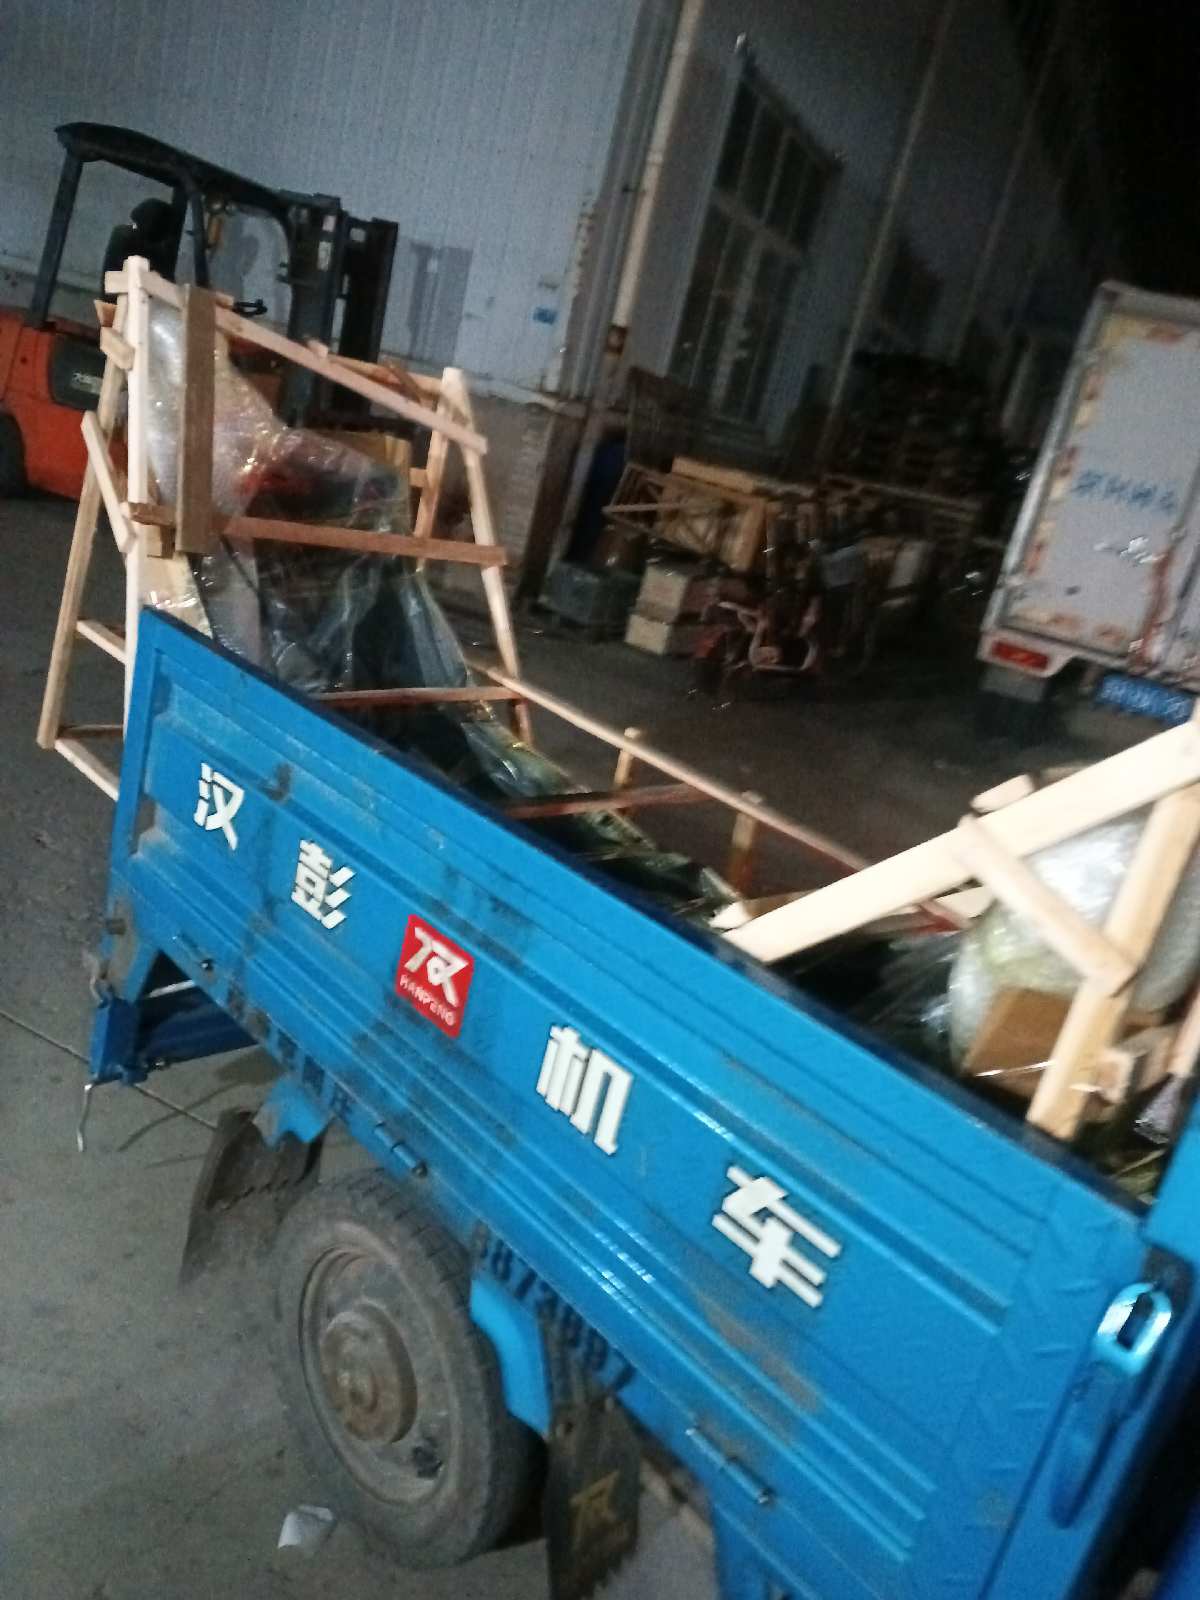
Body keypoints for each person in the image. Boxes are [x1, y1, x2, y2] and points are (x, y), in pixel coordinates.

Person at [101, 197, 177, 294]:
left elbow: (168, 283)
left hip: (123, 294)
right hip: (121, 296)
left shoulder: (124, 234)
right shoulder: (126, 237)